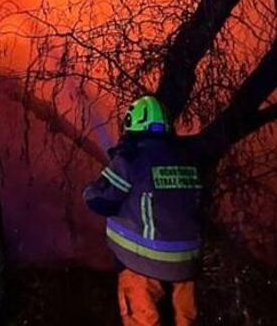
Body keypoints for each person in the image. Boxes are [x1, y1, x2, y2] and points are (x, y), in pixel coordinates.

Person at [84, 95, 203, 326]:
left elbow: (101, 201)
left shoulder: (130, 159)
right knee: (185, 321)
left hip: (143, 264)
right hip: (187, 264)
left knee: (142, 320)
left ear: (132, 123)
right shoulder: (187, 158)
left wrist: (89, 190)